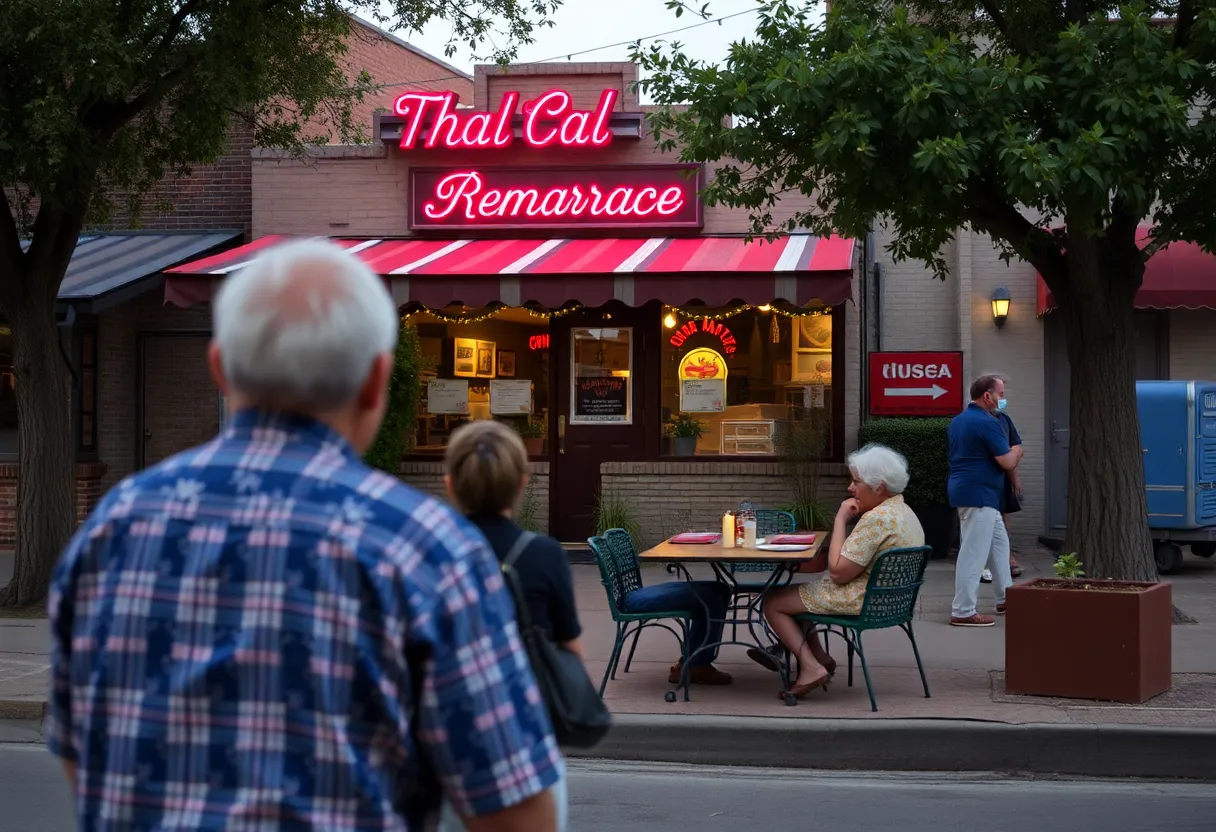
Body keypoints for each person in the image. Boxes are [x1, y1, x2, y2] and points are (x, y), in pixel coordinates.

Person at [45, 240, 561, 831]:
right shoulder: (425, 548)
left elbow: (77, 750)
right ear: (377, 382)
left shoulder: (110, 529)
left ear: (219, 370)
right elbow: (515, 811)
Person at [439, 420, 584, 832]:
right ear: (522, 484)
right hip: (523, 739)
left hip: (444, 744)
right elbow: (568, 646)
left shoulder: (428, 552)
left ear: (450, 484)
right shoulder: (544, 555)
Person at [750, 444, 925, 699]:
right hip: (891, 601)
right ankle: (820, 658)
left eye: (856, 481)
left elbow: (838, 572)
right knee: (795, 596)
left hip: (862, 599)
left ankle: (811, 667)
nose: (850, 488)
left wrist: (840, 520)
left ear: (880, 487)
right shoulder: (904, 512)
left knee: (774, 601)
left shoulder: (877, 519)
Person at [948, 375, 1023, 627]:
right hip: (980, 494)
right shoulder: (987, 422)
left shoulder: (958, 421)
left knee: (999, 548)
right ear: (987, 396)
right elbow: (1007, 461)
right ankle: (963, 610)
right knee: (973, 553)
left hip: (975, 493)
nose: (1003, 399)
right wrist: (1017, 449)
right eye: (1000, 394)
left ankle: (1006, 597)